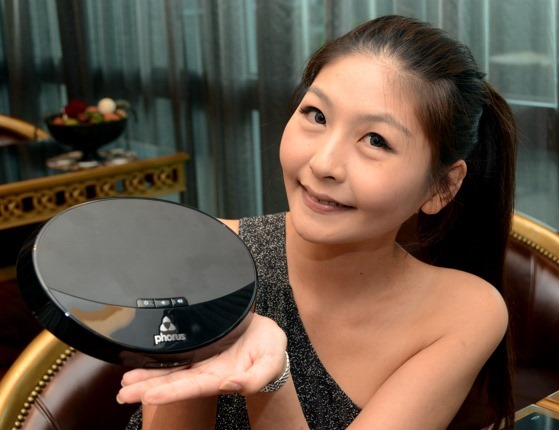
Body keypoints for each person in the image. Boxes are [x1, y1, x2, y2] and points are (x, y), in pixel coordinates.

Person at [118, 14, 517, 429]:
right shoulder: (206, 254)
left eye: (376, 140)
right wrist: (200, 345)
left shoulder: (463, 313)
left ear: (442, 187)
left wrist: (271, 380)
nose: (323, 163)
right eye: (317, 115)